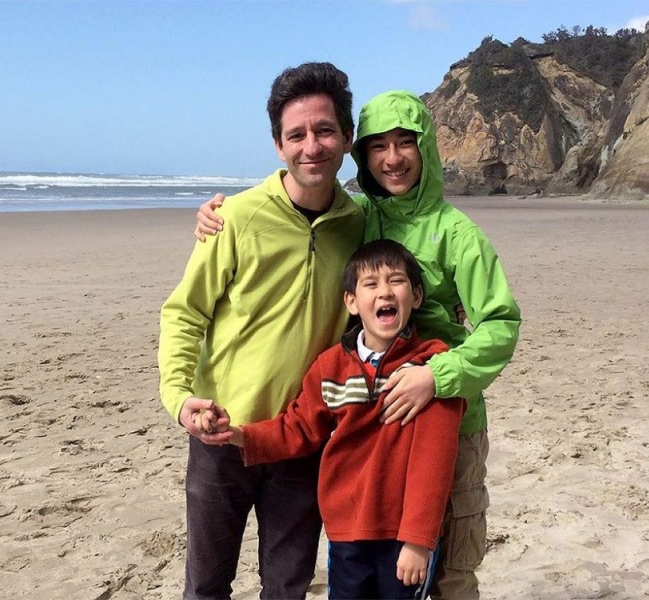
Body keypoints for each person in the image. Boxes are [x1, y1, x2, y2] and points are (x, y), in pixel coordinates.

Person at [195, 89, 521, 599]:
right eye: (378, 146)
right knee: (368, 562)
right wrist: (222, 211)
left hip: (444, 413)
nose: (393, 158)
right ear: (360, 153)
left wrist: (436, 376)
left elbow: (500, 325)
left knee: (450, 572)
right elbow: (298, 203)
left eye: (405, 143)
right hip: (368, 420)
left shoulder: (459, 234)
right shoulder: (358, 215)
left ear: (426, 148)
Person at [158, 62, 366, 600]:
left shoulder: (360, 224)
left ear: (347, 138)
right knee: (206, 587)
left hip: (301, 437)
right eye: (296, 135)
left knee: (288, 588)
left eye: (324, 131)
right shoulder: (235, 217)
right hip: (221, 433)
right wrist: (179, 399)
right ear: (278, 145)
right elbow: (184, 313)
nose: (311, 146)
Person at [199, 239, 465, 600]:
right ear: (351, 302)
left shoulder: (433, 367)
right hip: (346, 531)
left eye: (396, 281)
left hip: (403, 535)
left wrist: (418, 540)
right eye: (370, 284)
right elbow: (298, 428)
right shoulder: (331, 366)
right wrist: (237, 434)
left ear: (416, 296)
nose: (385, 292)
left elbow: (435, 460)